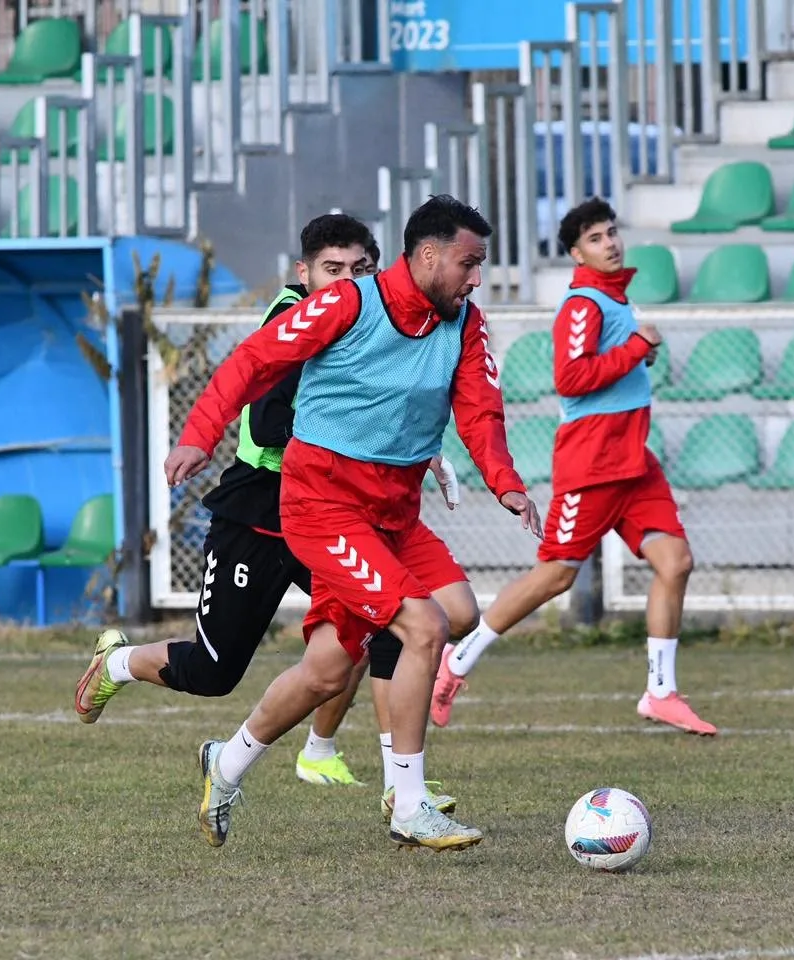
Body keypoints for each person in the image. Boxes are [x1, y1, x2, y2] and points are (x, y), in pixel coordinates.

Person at [163, 195, 543, 851]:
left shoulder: (465, 324)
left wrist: (505, 483)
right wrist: (199, 435)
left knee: (334, 670)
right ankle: (409, 801)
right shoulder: (347, 304)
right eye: (468, 262)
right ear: (428, 256)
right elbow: (252, 361)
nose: (477, 277)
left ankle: (224, 767)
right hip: (321, 506)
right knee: (423, 623)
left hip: (393, 514)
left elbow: (480, 412)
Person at [75, 214, 450, 797]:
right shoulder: (293, 316)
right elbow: (273, 422)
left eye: (360, 269)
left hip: (334, 510)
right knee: (213, 672)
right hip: (262, 510)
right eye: (332, 270)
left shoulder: (371, 319)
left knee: (389, 631)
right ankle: (118, 664)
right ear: (304, 274)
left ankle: (394, 787)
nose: (347, 281)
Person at [430, 198, 715, 737]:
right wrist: (636, 348)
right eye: (596, 238)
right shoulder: (582, 304)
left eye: (612, 232)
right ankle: (457, 661)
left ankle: (660, 692)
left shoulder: (613, 299)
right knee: (557, 575)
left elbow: (611, 363)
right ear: (575, 252)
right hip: (593, 462)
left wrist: (636, 351)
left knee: (674, 561)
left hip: (634, 461)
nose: (610, 243)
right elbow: (572, 378)